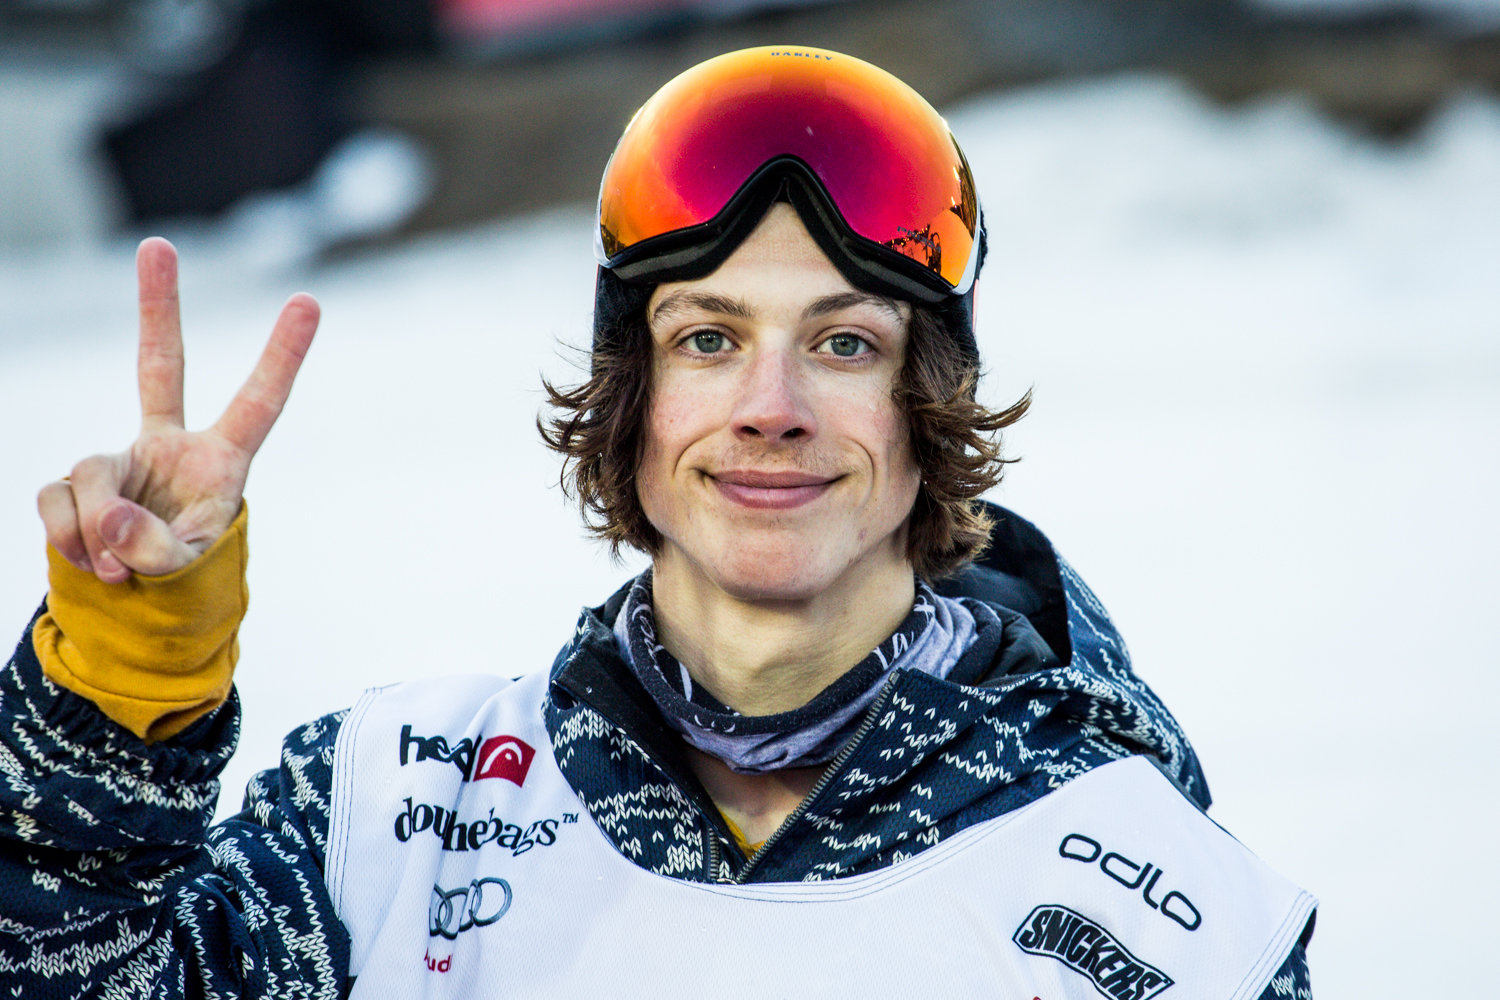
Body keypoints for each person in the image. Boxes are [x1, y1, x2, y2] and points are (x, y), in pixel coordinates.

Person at [1, 47, 1314, 998]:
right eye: (708, 339)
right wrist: (127, 677)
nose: (771, 409)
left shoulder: (1157, 908)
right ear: (630, 402)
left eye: (845, 344)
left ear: (929, 412)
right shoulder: (392, 815)